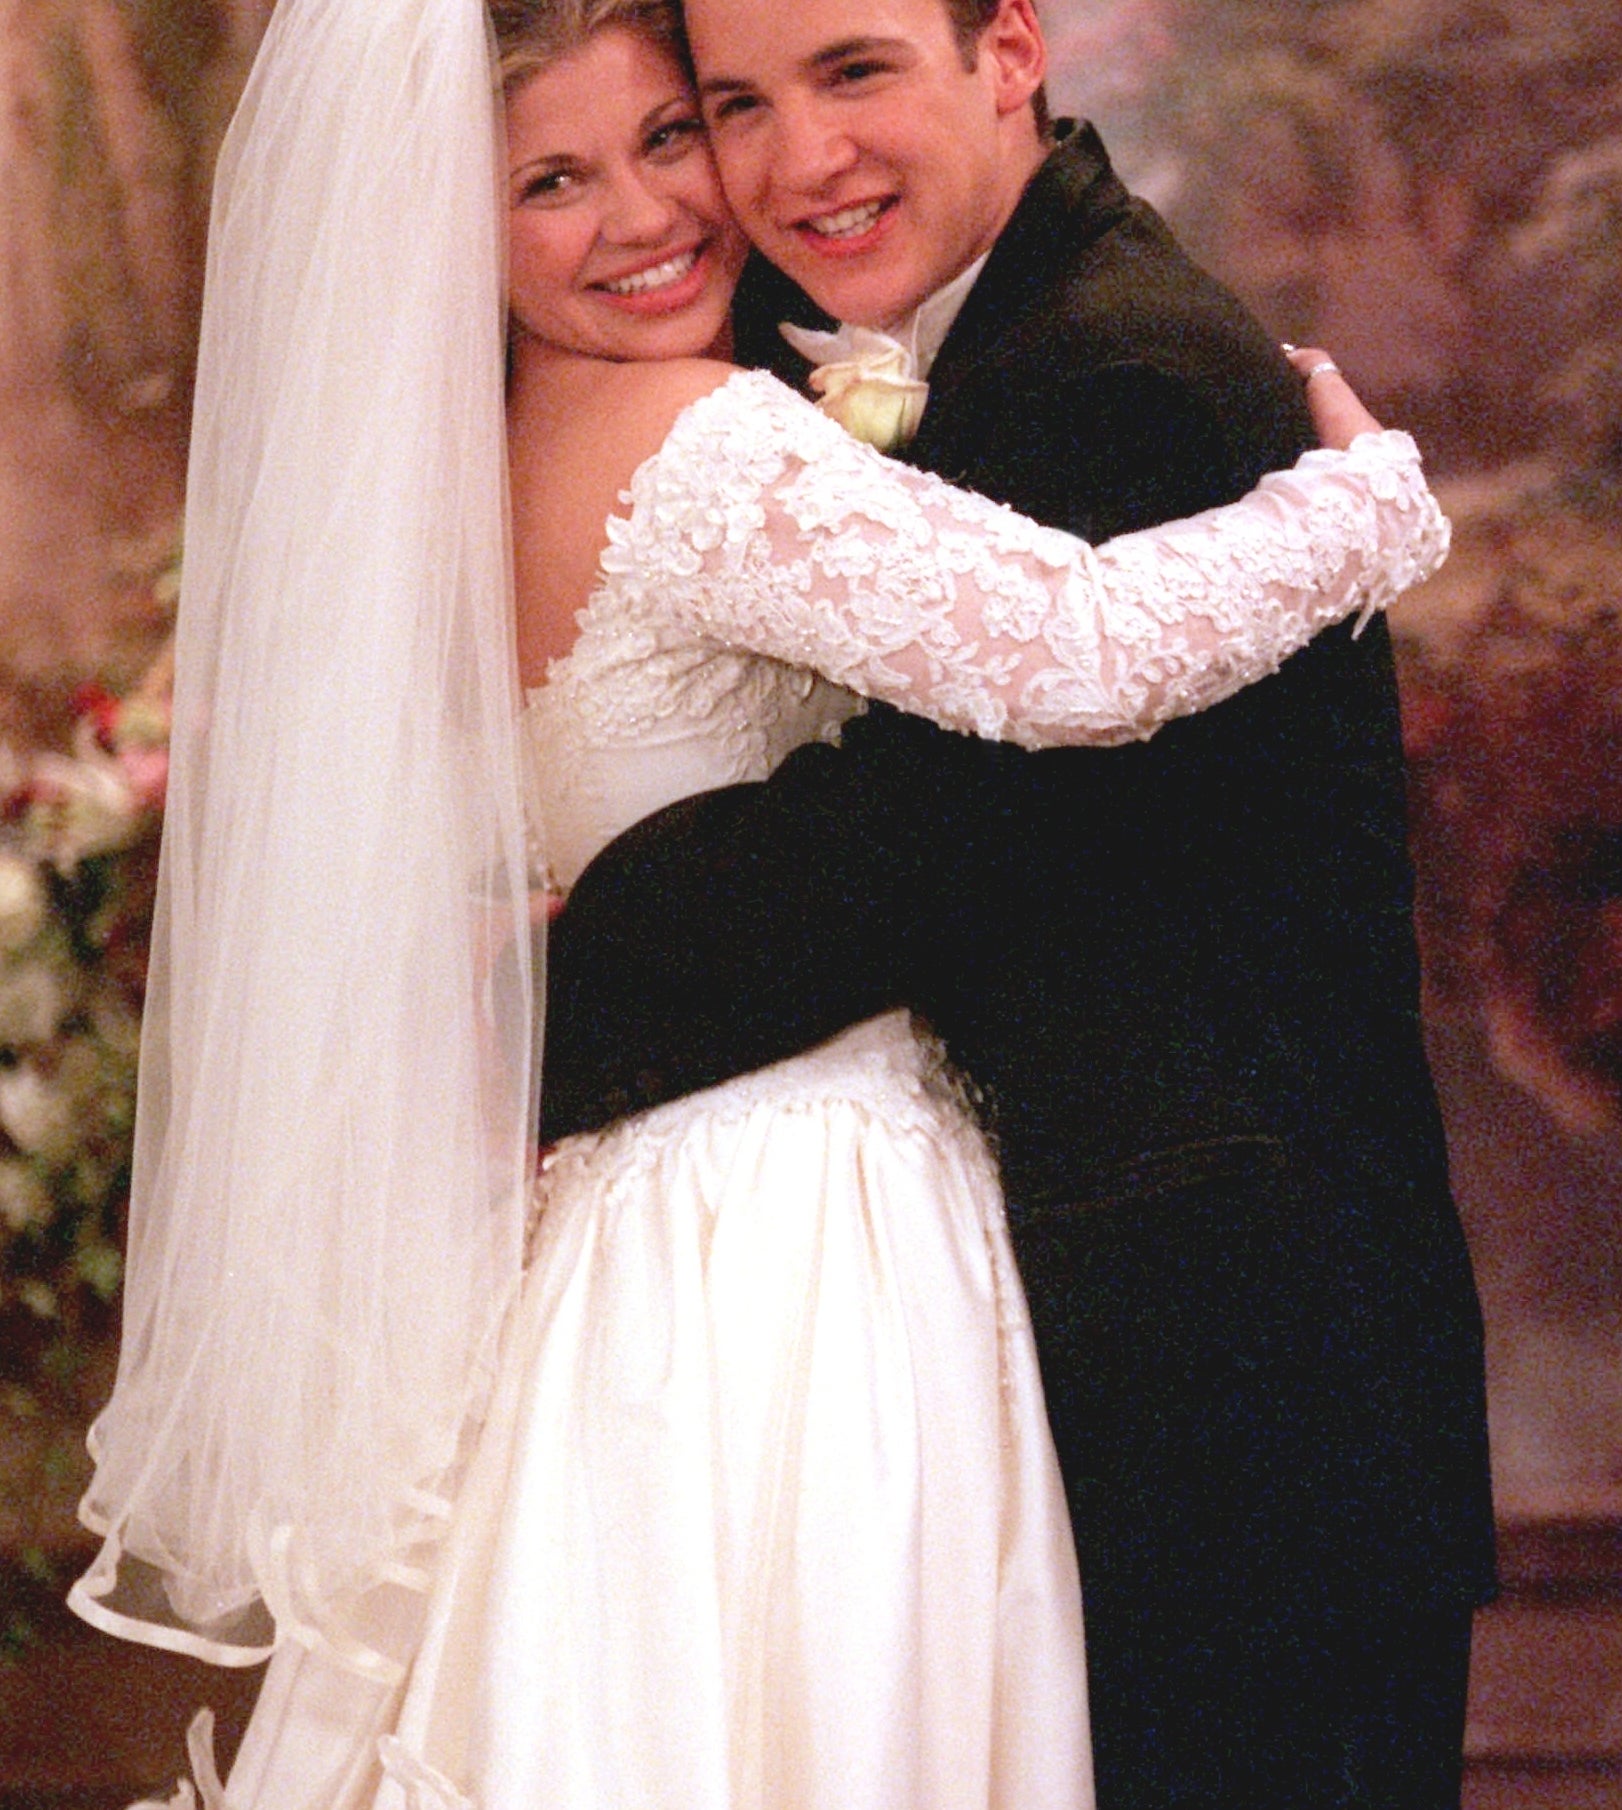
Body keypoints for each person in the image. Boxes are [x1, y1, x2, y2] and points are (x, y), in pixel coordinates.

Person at [69, 0, 1451, 1806]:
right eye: (550, 180)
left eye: (664, 138)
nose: (648, 211)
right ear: (449, 225)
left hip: (632, 1228)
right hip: (802, 1223)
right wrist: (1364, 504)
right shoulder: (699, 434)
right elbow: (1079, 644)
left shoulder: (468, 474)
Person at [535, 0, 1500, 1806]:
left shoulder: (1105, 372)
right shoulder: (937, 352)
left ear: (1008, 54)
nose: (791, 159)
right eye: (735, 102)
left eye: (852, 71)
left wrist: (540, 963)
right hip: (1136, 1389)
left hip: (1232, 1410)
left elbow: (900, 854)